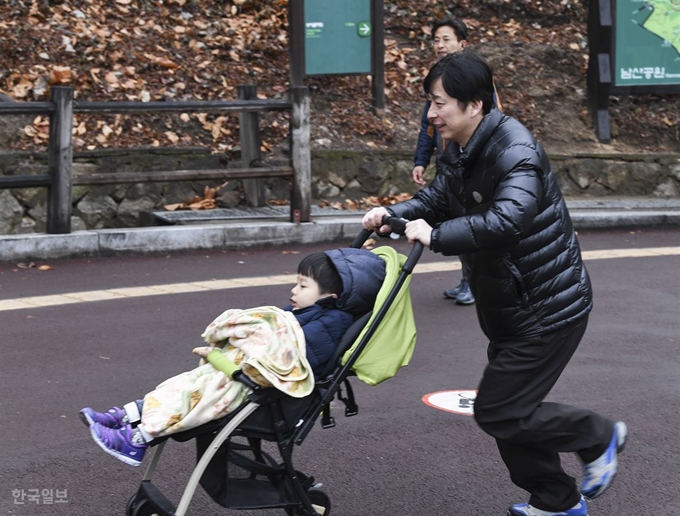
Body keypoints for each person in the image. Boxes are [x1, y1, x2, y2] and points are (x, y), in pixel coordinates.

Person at [362, 51, 626, 516]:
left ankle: (597, 435)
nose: (431, 113)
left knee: (500, 410)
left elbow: (509, 219)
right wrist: (397, 215)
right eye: (430, 101)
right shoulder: (460, 148)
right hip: (510, 305)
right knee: (510, 413)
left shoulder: (515, 149)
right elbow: (440, 197)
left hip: (547, 308)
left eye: (440, 102)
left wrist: (436, 235)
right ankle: (557, 501)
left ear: (474, 105)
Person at [79, 248, 386, 467]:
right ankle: (126, 416)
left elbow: (281, 363)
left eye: (303, 285)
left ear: (330, 297)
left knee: (193, 394)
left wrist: (225, 360)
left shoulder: (328, 327)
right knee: (182, 383)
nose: (294, 290)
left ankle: (138, 439)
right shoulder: (309, 313)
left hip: (260, 391)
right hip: (244, 376)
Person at [411, 18, 474, 305]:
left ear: (462, 44)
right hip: (448, 165)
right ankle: (467, 280)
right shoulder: (437, 78)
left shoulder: (473, 78)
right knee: (455, 221)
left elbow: (490, 119)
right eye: (436, 39)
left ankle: (473, 283)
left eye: (446, 39)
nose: (440, 45)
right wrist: (421, 160)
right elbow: (428, 126)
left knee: (468, 223)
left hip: (467, 166)